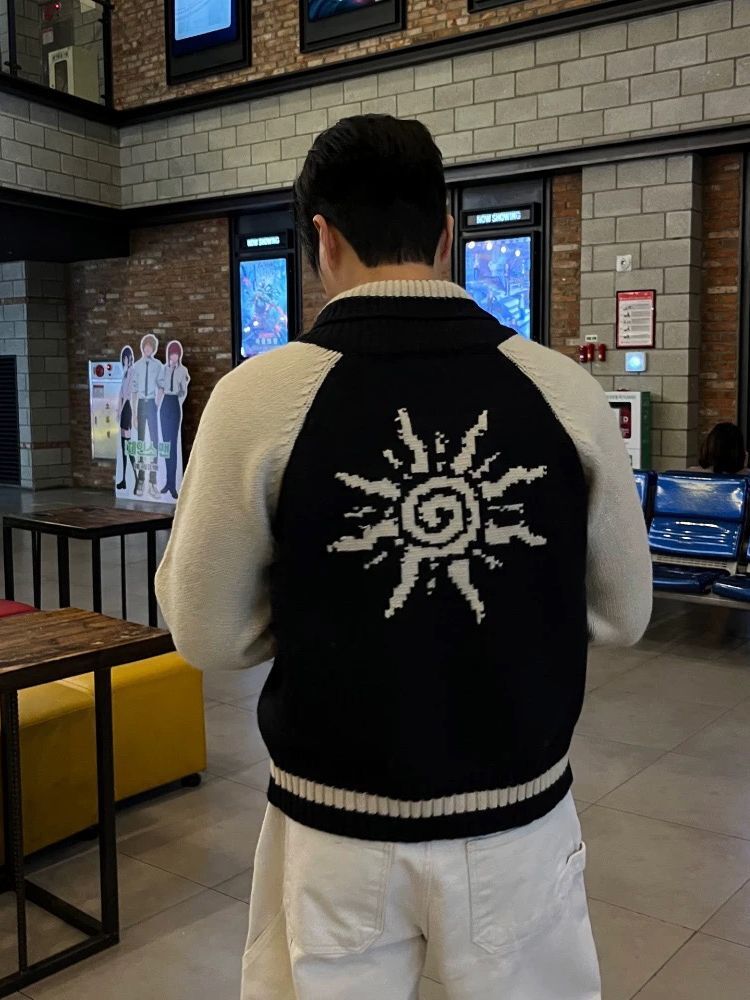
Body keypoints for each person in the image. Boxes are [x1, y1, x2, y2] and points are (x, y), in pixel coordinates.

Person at [155, 115, 652, 1000]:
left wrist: (330, 617)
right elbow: (625, 612)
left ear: (321, 237)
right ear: (445, 233)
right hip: (517, 821)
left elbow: (205, 631)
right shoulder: (564, 389)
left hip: (333, 828)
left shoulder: (255, 398)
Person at [131, 334, 163, 500]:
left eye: (151, 346)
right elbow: (133, 391)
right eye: (146, 346)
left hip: (151, 403)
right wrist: (134, 414)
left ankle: (153, 482)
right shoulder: (136, 366)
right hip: (141, 405)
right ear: (143, 347)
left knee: (155, 442)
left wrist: (156, 403)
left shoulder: (158, 365)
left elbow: (161, 386)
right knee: (141, 442)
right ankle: (141, 479)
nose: (148, 348)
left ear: (154, 348)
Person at [157, 340, 190, 500]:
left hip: (174, 403)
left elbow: (183, 390)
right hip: (165, 404)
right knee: (165, 445)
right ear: (169, 354)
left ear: (179, 355)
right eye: (172, 353)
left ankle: (173, 484)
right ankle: (168, 482)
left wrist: (180, 394)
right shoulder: (163, 369)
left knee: (174, 446)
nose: (174, 356)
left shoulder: (183, 370)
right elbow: (159, 385)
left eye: (176, 353)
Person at [115, 345, 136, 492]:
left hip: (128, 409)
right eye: (124, 358)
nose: (125, 361)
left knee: (129, 446)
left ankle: (136, 477)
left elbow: (129, 394)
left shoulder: (132, 372)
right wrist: (118, 411)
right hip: (123, 410)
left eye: (127, 358)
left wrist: (122, 409)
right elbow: (120, 394)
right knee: (124, 446)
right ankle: (124, 479)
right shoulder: (124, 373)